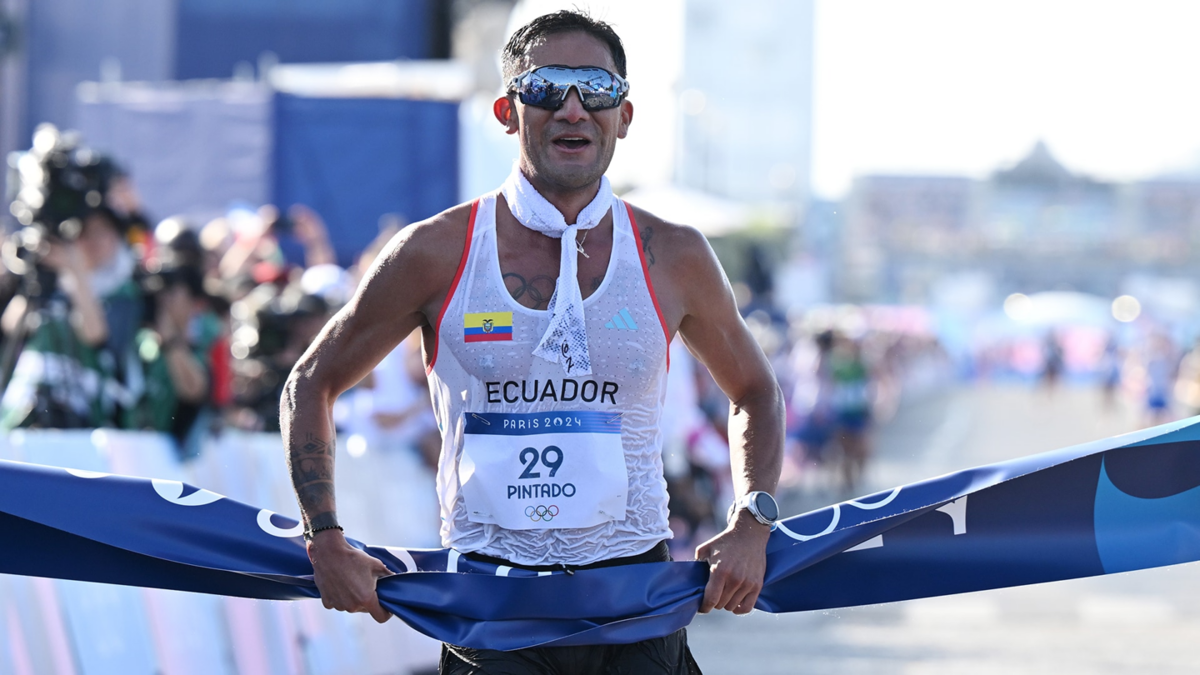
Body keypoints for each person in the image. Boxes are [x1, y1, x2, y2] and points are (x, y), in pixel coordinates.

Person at [281, 10, 784, 674]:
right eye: (546, 87)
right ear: (507, 110)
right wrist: (325, 538)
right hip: (493, 608)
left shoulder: (674, 255)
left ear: (624, 115)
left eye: (595, 90)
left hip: (634, 602)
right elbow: (311, 381)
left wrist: (753, 520)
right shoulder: (437, 251)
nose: (573, 109)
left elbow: (755, 390)